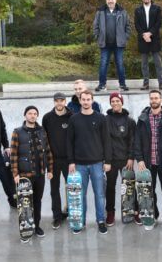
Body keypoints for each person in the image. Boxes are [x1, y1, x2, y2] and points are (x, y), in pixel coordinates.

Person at [67, 90, 112, 235]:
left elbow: (106, 140)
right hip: (79, 164)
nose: (86, 102)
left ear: (92, 101)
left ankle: (100, 221)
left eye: (88, 99)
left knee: (99, 194)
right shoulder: (74, 119)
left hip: (97, 163)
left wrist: (107, 160)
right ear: (79, 101)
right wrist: (71, 162)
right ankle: (81, 221)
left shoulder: (101, 118)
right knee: (80, 195)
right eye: (83, 99)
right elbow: (69, 142)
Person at [134, 90, 162, 232]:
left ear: (161, 99)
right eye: (151, 98)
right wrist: (140, 159)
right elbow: (137, 141)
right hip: (148, 164)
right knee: (149, 192)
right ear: (149, 100)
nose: (154, 100)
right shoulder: (142, 119)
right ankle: (153, 217)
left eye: (156, 98)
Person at [10, 106, 54, 242]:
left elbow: (48, 151)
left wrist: (50, 170)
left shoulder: (42, 131)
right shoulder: (17, 132)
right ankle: (26, 227)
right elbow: (13, 154)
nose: (32, 116)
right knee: (25, 203)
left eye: (35, 114)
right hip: (24, 176)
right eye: (30, 113)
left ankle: (37, 226)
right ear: (25, 115)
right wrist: (15, 174)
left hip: (40, 174)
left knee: (37, 201)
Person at [105, 92, 141, 226]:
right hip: (111, 161)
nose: (115, 103)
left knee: (130, 186)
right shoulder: (106, 120)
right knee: (110, 187)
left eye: (117, 101)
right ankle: (110, 212)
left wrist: (131, 158)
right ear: (110, 103)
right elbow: (104, 142)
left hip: (126, 160)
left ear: (122, 102)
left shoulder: (130, 121)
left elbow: (133, 141)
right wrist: (106, 161)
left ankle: (135, 211)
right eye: (112, 101)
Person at [42, 92, 73, 229]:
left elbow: (75, 139)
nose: (59, 103)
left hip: (68, 160)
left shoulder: (72, 116)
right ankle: (57, 216)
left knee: (71, 188)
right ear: (54, 102)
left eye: (62, 101)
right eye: (57, 101)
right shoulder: (47, 118)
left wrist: (74, 160)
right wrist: (47, 163)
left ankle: (72, 213)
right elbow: (44, 140)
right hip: (53, 161)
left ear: (65, 101)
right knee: (54, 189)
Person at [93, 0, 131, 92]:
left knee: (120, 64)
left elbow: (128, 26)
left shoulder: (122, 11)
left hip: (119, 44)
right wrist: (98, 37)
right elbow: (95, 26)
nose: (110, 1)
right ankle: (102, 85)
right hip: (105, 44)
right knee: (103, 64)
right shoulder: (100, 11)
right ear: (106, 0)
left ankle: (122, 85)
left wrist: (125, 37)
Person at [134, 0, 162, 90]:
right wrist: (144, 35)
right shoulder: (137, 10)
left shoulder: (157, 8)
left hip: (154, 38)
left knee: (158, 62)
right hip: (142, 39)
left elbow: (158, 23)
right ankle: (146, 83)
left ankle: (161, 83)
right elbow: (137, 25)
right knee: (144, 63)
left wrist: (150, 33)